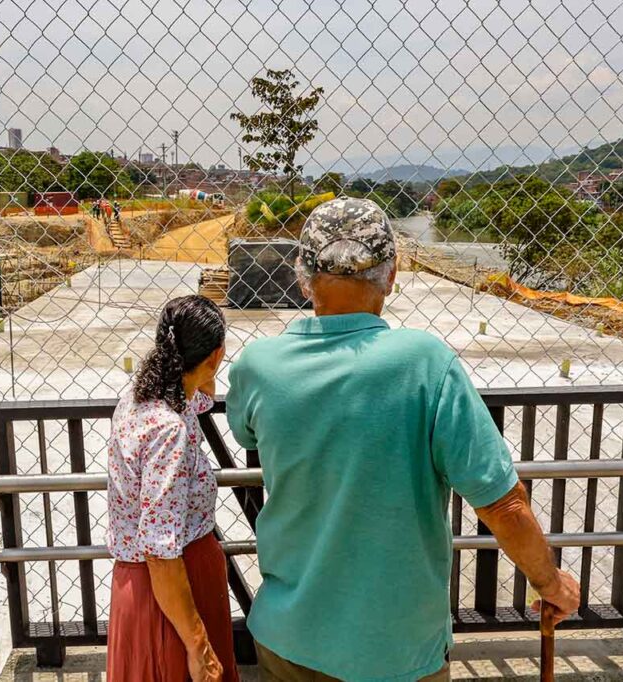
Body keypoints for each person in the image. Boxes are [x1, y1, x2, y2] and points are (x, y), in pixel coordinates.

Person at [226, 198, 580, 682]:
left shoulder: (257, 367)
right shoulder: (426, 364)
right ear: (391, 276)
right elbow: (504, 506)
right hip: (398, 650)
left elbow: (244, 431)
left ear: (301, 274)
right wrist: (550, 583)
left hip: (291, 638)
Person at [106, 295, 238, 682]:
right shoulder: (169, 430)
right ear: (215, 354)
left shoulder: (139, 398)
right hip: (173, 590)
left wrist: (207, 368)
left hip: (139, 587)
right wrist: (197, 645)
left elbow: (202, 396)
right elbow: (161, 552)